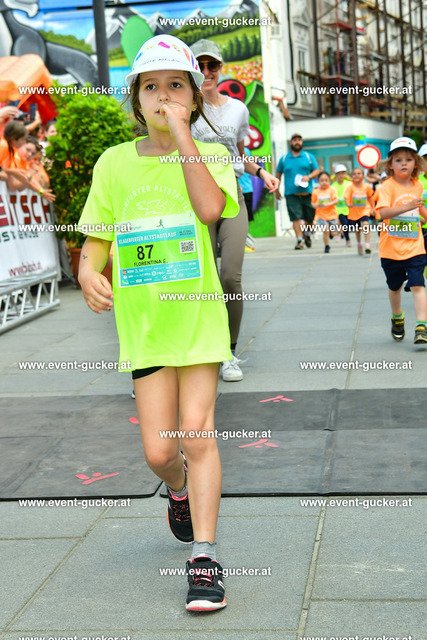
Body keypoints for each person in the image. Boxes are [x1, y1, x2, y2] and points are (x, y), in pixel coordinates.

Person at [77, 34, 240, 612]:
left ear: (194, 97)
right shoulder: (113, 162)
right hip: (144, 327)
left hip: (197, 319)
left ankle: (205, 558)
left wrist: (185, 139)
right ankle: (177, 489)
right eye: (152, 87)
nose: (164, 96)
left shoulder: (210, 156)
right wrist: (88, 272)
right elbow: (97, 239)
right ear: (136, 99)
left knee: (197, 433)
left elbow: (210, 210)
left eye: (176, 85)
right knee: (158, 452)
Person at [190, 39, 279, 381]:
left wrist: (263, 173)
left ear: (221, 68)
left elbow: (239, 155)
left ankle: (228, 352)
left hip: (232, 196)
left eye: (212, 65)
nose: (207, 72)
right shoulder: (185, 109)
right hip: (195, 200)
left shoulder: (238, 109)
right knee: (201, 278)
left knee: (229, 276)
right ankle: (200, 349)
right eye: (200, 66)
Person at [375, 137, 427, 343]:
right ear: (390, 165)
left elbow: (419, 206)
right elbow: (383, 213)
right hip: (391, 248)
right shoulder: (387, 187)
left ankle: (422, 326)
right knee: (395, 287)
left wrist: (422, 216)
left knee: (418, 284)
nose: (403, 163)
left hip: (414, 246)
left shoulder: (417, 186)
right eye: (398, 160)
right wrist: (407, 207)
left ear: (416, 163)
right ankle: (397, 316)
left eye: (408, 159)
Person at [275, 133, 321, 249]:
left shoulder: (308, 157)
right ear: (291, 142)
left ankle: (306, 234)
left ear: (301, 142)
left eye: (299, 140)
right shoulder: (284, 159)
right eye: (294, 140)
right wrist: (276, 190)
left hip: (307, 193)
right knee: (295, 217)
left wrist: (309, 177)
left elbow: (317, 170)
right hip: (291, 194)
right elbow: (278, 174)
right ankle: (300, 240)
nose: (297, 142)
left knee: (309, 219)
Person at [344, 167, 375, 255]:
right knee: (357, 229)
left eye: (359, 173)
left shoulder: (366, 186)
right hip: (354, 212)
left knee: (365, 224)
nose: (356, 175)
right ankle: (359, 243)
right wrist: (348, 204)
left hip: (365, 209)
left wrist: (373, 208)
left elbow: (370, 197)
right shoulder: (350, 187)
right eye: (354, 174)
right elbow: (346, 197)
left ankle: (367, 245)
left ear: (363, 176)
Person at [311, 171, 339, 253]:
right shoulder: (316, 191)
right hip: (321, 215)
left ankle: (332, 234)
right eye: (322, 180)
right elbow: (312, 202)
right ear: (318, 181)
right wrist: (315, 205)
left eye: (326, 180)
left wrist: (328, 204)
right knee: (325, 230)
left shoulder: (332, 190)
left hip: (332, 215)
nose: (324, 182)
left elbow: (336, 200)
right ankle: (327, 246)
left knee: (334, 233)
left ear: (329, 181)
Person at [331, 163, 352, 246]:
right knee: (344, 224)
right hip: (338, 210)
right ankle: (347, 239)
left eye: (342, 173)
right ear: (336, 175)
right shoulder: (333, 186)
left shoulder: (349, 184)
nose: (341, 175)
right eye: (339, 174)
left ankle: (341, 234)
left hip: (349, 209)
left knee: (350, 225)